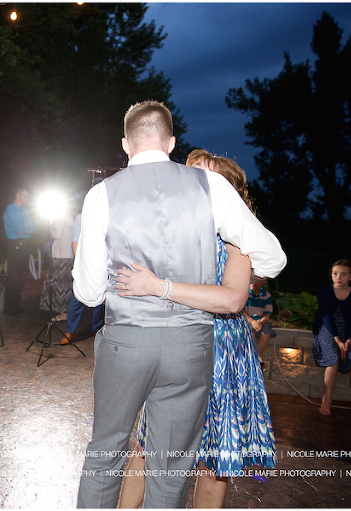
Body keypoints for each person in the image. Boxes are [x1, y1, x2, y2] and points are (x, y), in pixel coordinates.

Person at [73, 100, 286, 508]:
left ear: (125, 144)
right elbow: (273, 258)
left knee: (106, 455)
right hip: (191, 346)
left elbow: (89, 293)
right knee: (170, 472)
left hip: (126, 344)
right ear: (171, 141)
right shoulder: (212, 187)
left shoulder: (101, 195)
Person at [116, 149, 277, 509]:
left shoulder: (239, 236)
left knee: (215, 461)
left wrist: (159, 287)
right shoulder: (168, 227)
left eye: (205, 177)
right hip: (174, 342)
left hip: (222, 352)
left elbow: (233, 300)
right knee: (148, 448)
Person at [312, 259, 351, 420]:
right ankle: (326, 401)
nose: (338, 277)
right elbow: (326, 316)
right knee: (334, 359)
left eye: (344, 274)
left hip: (347, 332)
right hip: (327, 329)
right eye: (335, 273)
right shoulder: (325, 292)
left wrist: (349, 339)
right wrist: (338, 340)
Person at [59, 211, 104, 345]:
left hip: (101, 260)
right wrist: (80, 264)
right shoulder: (80, 217)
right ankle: (70, 331)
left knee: (100, 296)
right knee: (77, 296)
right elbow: (75, 241)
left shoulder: (105, 215)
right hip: (84, 262)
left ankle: (96, 328)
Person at [3, 186, 36, 315]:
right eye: (25, 196)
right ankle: (9, 306)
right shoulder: (10, 209)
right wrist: (27, 229)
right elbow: (19, 228)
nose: (27, 198)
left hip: (24, 245)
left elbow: (33, 227)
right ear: (18, 195)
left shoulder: (25, 209)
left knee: (22, 276)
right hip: (15, 245)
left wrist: (26, 229)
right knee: (13, 276)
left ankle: (17, 304)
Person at [40, 210, 75, 321]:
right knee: (66, 284)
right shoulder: (71, 218)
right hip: (68, 255)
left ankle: (62, 312)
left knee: (58, 284)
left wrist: (49, 231)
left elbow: (58, 235)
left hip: (60, 255)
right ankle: (67, 312)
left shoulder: (61, 217)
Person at [245, 277, 276, 356]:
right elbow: (241, 311)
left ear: (264, 281)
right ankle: (254, 359)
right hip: (247, 320)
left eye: (256, 281)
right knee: (250, 333)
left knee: (266, 333)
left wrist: (261, 322)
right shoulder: (244, 294)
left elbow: (268, 314)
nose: (253, 283)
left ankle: (256, 357)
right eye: (251, 280)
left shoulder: (267, 296)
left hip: (261, 321)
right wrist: (252, 321)